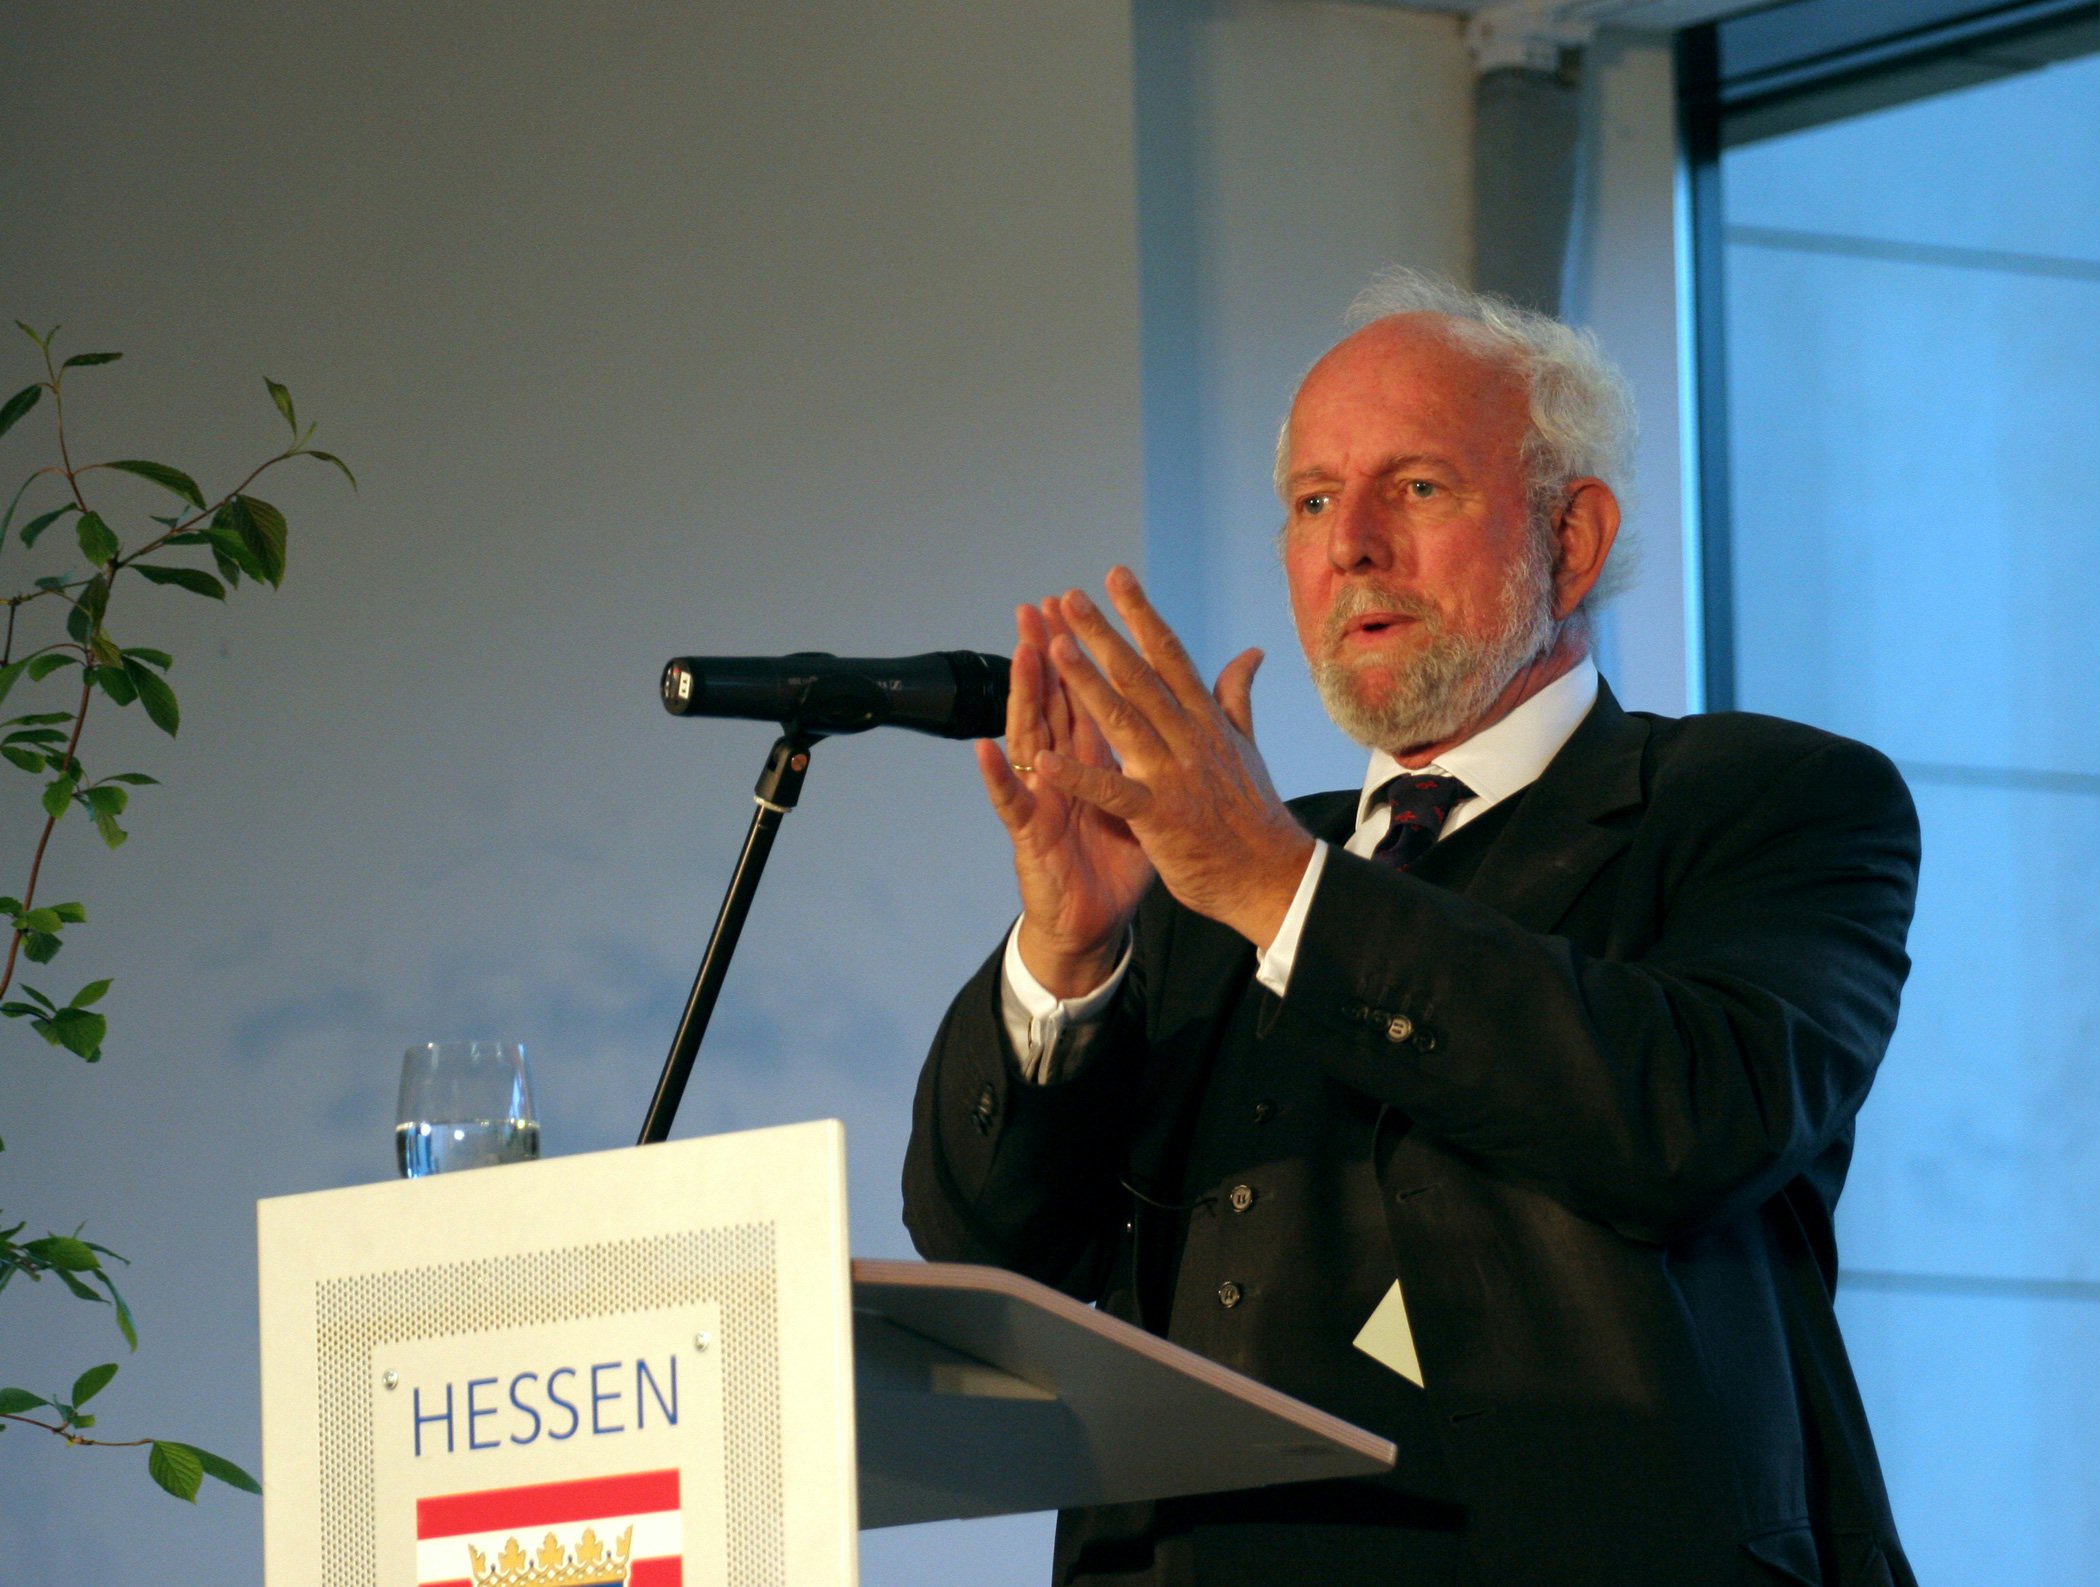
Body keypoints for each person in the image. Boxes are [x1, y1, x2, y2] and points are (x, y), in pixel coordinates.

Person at [902, 270, 1920, 1587]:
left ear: (1573, 538)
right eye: (1314, 502)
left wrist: (1279, 885)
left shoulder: (1767, 802)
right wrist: (1071, 955)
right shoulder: (1214, 864)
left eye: (1419, 487)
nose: (1351, 545)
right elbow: (994, 1251)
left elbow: (1692, 1120)